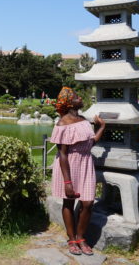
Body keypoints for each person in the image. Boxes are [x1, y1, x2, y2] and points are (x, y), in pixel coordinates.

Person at [51, 86, 105, 256]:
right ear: (69, 102)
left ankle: (81, 238)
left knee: (88, 203)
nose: (80, 98)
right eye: (76, 96)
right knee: (69, 202)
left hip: (86, 164)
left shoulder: (83, 120)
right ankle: (72, 239)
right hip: (69, 166)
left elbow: (90, 143)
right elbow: (62, 154)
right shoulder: (62, 123)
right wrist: (67, 182)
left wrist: (101, 128)